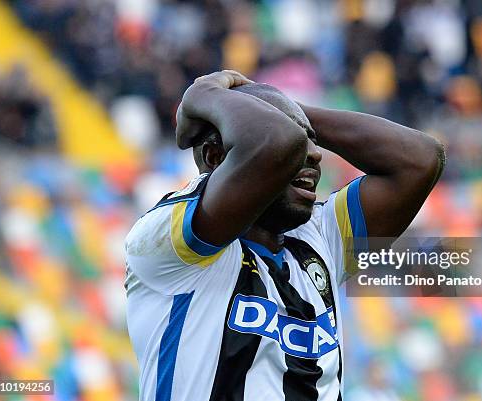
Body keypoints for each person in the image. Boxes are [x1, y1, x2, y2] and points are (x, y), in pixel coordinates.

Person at [124, 70, 445, 401]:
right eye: (298, 143)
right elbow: (276, 142)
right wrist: (203, 94)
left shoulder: (319, 240)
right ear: (214, 158)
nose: (315, 154)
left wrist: (289, 110)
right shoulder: (167, 242)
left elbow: (420, 159)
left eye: (312, 140)